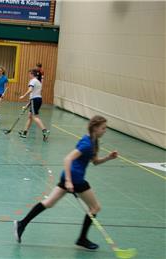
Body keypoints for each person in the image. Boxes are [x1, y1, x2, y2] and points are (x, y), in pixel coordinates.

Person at [14, 115, 118, 250]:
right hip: (75, 178)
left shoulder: (93, 141)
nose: (105, 131)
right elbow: (68, 159)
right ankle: (82, 239)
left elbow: (95, 162)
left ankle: (21, 224)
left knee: (49, 203)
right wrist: (69, 181)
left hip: (69, 177)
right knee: (95, 208)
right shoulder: (87, 144)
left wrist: (109, 158)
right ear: (95, 128)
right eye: (103, 128)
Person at [18, 69, 50, 141]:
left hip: (35, 100)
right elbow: (34, 94)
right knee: (30, 117)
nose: (29, 75)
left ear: (32, 74)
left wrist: (23, 96)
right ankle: (25, 132)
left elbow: (30, 90)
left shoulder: (32, 81)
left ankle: (44, 131)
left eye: (29, 74)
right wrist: (27, 106)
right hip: (37, 100)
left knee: (34, 117)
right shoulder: (38, 82)